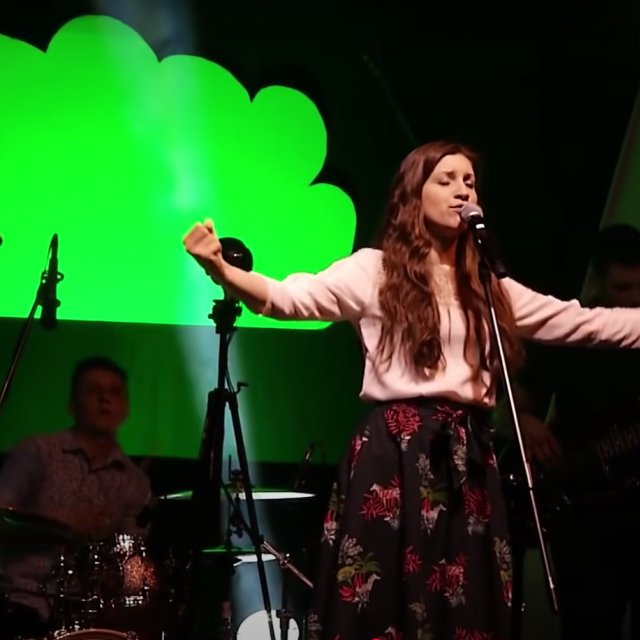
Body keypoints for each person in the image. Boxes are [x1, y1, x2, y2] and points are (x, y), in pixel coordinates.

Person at [183, 140, 640, 640]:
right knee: (384, 601)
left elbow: (585, 322)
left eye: (469, 182)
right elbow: (290, 298)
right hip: (395, 453)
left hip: (467, 456)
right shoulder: (374, 271)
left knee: (463, 602)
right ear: (413, 195)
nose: (462, 191)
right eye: (446, 180)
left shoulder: (488, 287)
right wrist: (222, 270)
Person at [505, 223, 640, 640]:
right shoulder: (574, 329)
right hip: (582, 512)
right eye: (622, 288)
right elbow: (512, 392)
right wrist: (524, 422)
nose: (633, 299)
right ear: (597, 282)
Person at [0, 356, 152, 639]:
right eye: (94, 391)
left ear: (126, 408)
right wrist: (64, 524)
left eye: (114, 392)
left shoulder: (135, 482)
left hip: (88, 615)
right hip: (20, 602)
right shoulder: (36, 452)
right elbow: (2, 516)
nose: (105, 399)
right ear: (72, 404)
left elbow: (131, 556)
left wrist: (136, 574)